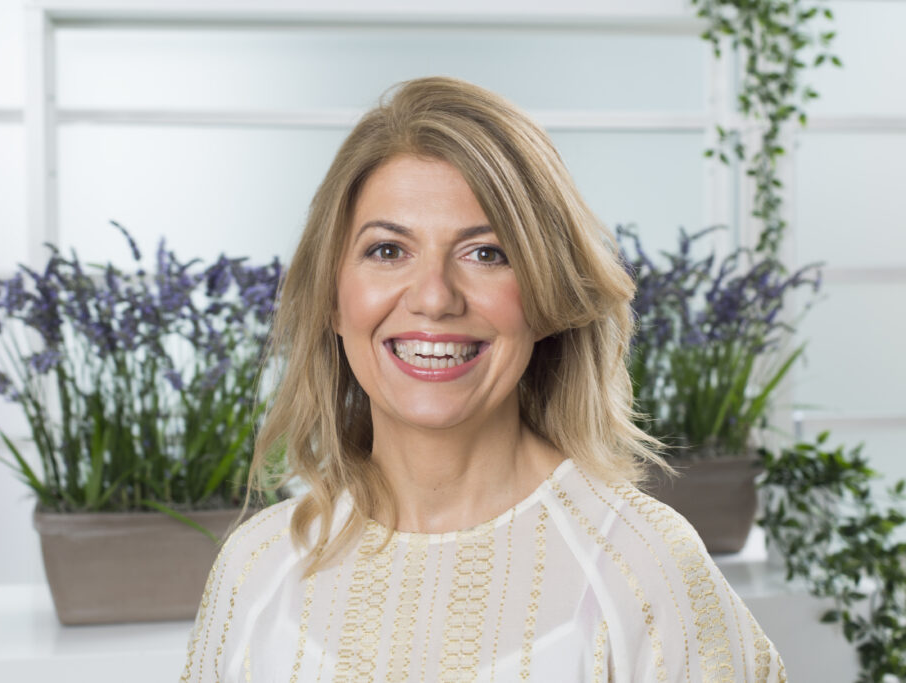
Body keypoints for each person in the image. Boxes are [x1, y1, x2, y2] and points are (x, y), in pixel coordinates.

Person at [180, 76, 785, 682]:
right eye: (388, 251)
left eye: (486, 253)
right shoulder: (256, 568)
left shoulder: (645, 567)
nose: (434, 298)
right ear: (333, 299)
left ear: (545, 298)